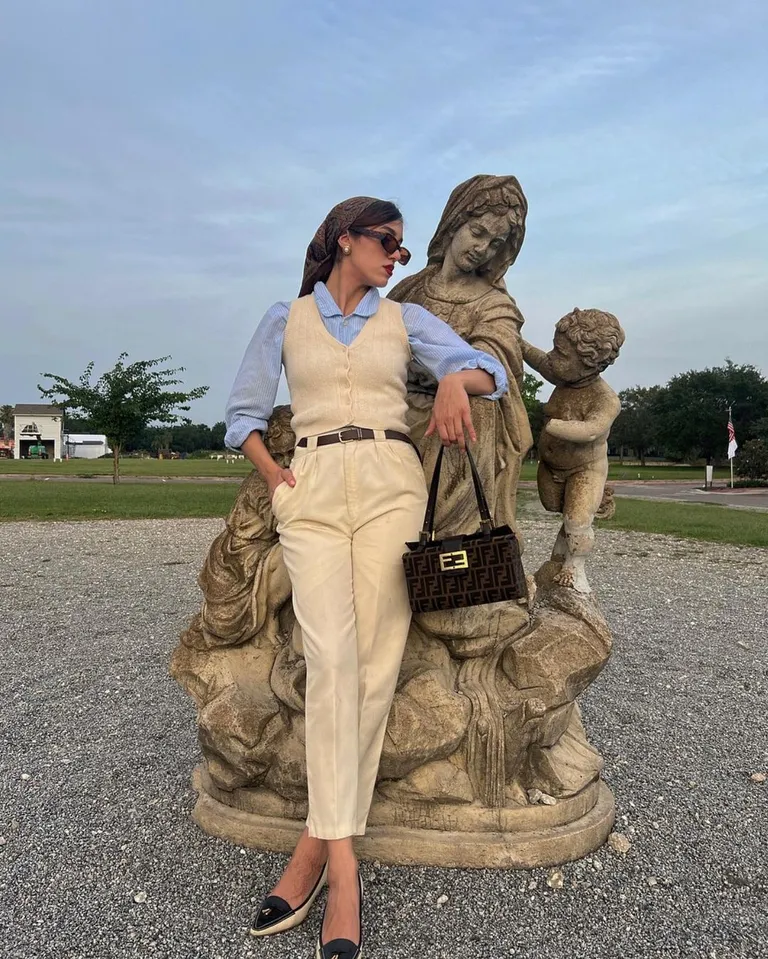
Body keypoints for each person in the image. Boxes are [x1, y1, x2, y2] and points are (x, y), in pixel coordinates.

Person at [223, 196, 508, 959]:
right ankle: (342, 862)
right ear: (344, 238)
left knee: (376, 666)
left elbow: (495, 372)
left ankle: (319, 849)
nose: (396, 258)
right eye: (387, 243)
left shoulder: (403, 321)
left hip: (390, 480)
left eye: (403, 250)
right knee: (332, 662)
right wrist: (280, 480)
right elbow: (242, 416)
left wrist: (455, 382)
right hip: (311, 487)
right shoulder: (284, 319)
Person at [389, 175, 533, 539]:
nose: (483, 248)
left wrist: (453, 381)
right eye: (478, 232)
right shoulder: (409, 290)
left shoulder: (495, 304)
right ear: (454, 223)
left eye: (495, 242)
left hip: (451, 418)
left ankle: (457, 545)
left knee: (476, 409)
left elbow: (494, 361)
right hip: (390, 405)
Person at [522, 307, 625, 593]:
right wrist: (518, 344)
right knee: (554, 507)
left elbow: (592, 429)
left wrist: (552, 425)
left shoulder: (605, 399)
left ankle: (574, 567)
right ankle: (561, 551)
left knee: (577, 520)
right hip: (552, 467)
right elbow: (542, 362)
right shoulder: (564, 376)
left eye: (562, 354)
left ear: (591, 363)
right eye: (556, 349)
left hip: (585, 468)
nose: (553, 358)